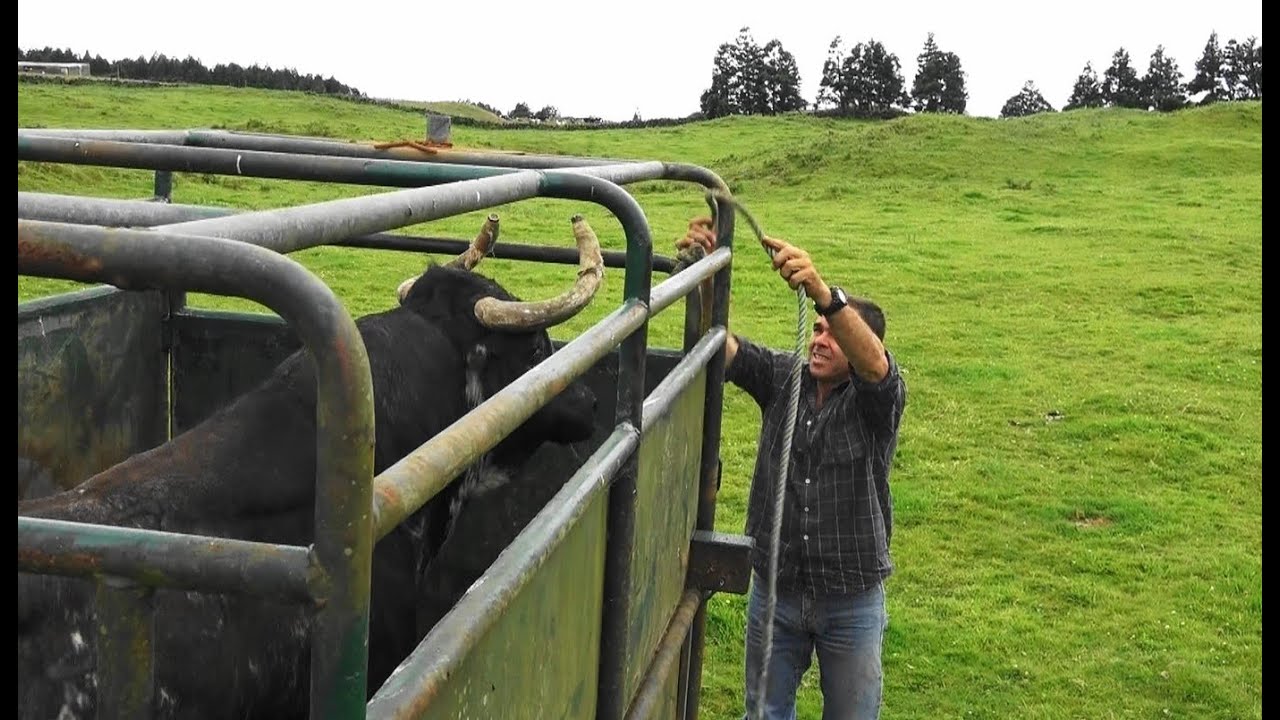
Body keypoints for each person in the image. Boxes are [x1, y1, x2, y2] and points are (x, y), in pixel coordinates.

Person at [677, 216, 907, 720]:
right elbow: (723, 346)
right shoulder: (785, 378)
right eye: (818, 331)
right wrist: (704, 273)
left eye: (834, 334)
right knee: (763, 714)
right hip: (775, 588)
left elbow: (877, 366)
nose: (820, 340)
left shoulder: (877, 402)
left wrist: (825, 295)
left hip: (851, 598)